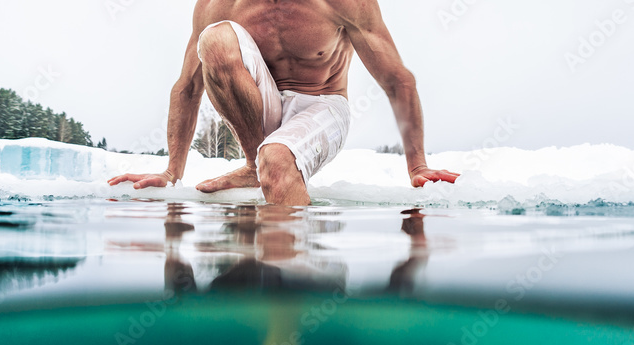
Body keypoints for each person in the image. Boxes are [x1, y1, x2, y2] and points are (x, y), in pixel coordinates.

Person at [108, 0, 460, 205]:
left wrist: (417, 165)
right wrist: (172, 171)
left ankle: (290, 308)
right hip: (260, 106)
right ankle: (252, 163)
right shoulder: (218, 3)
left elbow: (397, 80)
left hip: (322, 103)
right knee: (213, 40)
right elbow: (187, 87)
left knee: (276, 161)